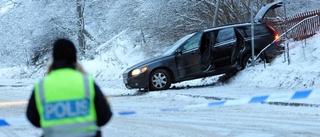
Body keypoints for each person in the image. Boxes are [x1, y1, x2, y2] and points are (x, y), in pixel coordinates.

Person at [26, 38, 112, 137]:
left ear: (54, 58)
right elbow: (104, 116)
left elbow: (33, 118)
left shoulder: (41, 86)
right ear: (74, 58)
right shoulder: (87, 83)